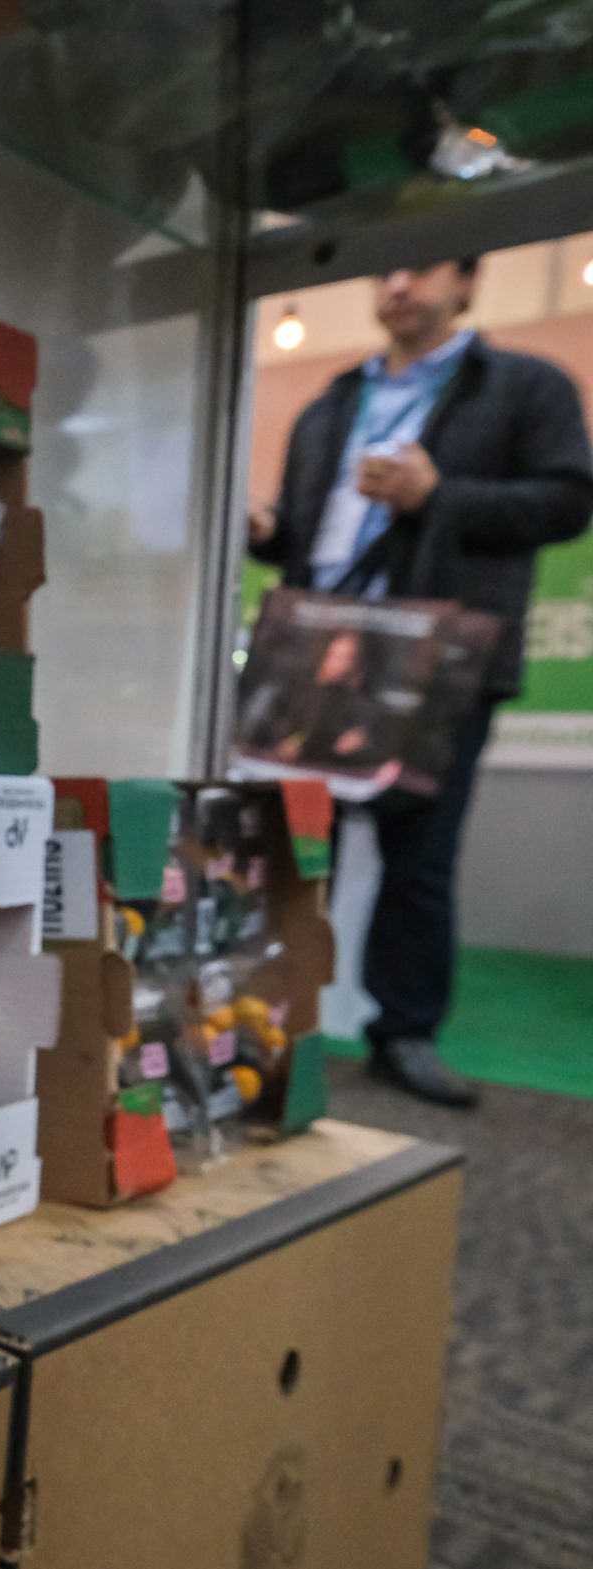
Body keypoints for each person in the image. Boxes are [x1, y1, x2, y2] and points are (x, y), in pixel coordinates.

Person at [251, 258, 593, 1107]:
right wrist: (267, 530)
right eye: (384, 272)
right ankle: (265, 1016)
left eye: (423, 267)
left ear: (468, 283)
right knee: (291, 841)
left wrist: (441, 496)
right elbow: (306, 526)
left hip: (439, 657)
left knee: (421, 856)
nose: (399, 285)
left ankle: (403, 1032)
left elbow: (566, 502)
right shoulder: (332, 402)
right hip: (319, 648)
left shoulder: (523, 386)